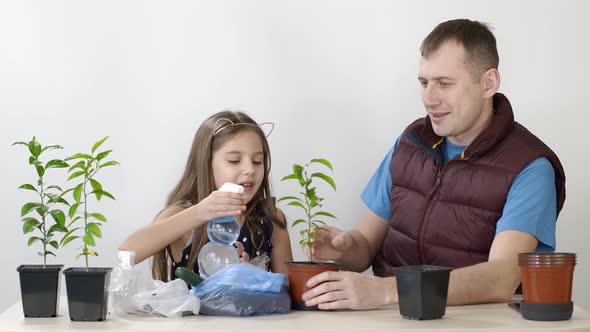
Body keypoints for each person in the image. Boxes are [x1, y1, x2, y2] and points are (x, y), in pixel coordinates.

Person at [302, 19, 566, 310]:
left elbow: (501, 278)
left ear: (488, 83)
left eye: (444, 84)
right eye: (424, 83)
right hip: (390, 320)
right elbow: (366, 242)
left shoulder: (529, 166)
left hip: (474, 325)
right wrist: (345, 249)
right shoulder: (411, 142)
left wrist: (388, 291)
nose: (428, 99)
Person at [119, 111, 293, 281]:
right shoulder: (183, 216)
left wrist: (255, 279)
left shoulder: (271, 220)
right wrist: (199, 213)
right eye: (234, 160)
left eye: (257, 161)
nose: (250, 169)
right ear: (206, 163)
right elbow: (126, 254)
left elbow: (288, 292)